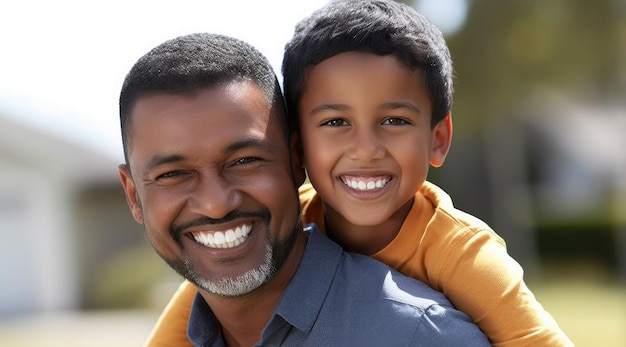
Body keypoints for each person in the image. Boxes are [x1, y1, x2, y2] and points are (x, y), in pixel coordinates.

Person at [144, 1, 573, 346]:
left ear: (438, 138)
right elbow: (191, 315)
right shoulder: (284, 222)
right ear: (297, 147)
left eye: (395, 121)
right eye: (335, 123)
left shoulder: (462, 253)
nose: (366, 149)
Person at [117, 32, 490, 347]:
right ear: (134, 196)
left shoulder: (417, 335)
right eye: (173, 174)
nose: (215, 204)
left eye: (245, 161)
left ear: (297, 161)